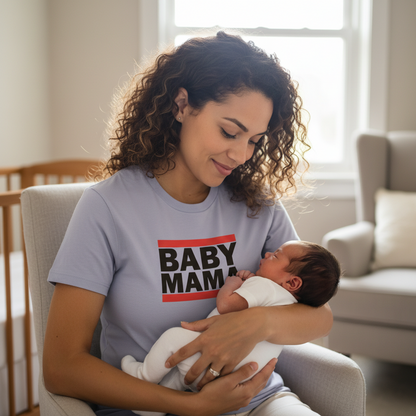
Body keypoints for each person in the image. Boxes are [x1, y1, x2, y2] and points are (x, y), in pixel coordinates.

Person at [44, 31, 333, 416]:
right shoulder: (107, 207)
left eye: (254, 141)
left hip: (257, 402)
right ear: (182, 105)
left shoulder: (256, 205)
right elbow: (61, 367)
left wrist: (255, 323)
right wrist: (188, 405)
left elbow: (319, 316)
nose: (240, 154)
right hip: (153, 406)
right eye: (229, 132)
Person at [121, 240, 340, 415]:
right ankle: (154, 408)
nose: (266, 255)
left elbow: (226, 305)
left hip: (209, 367)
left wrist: (232, 284)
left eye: (274, 255)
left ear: (292, 283)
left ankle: (143, 377)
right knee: (182, 374)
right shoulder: (294, 307)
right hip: (244, 382)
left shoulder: (265, 285)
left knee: (172, 339)